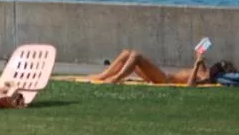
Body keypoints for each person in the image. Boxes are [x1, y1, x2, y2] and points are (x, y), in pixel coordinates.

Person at [90, 49, 235, 85]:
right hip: (160, 76)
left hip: (164, 79)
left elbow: (191, 85)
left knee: (136, 56)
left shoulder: (205, 79)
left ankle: (115, 79)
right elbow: (201, 63)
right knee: (127, 53)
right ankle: (102, 76)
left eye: (216, 68)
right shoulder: (204, 70)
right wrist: (200, 55)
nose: (213, 68)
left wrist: (196, 65)